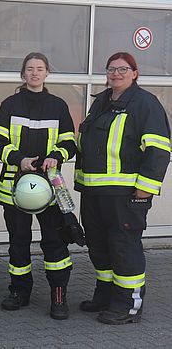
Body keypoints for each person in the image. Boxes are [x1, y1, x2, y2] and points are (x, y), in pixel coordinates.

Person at [75, 52, 170, 325]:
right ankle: (105, 295)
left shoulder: (145, 104)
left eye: (123, 69)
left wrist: (145, 190)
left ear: (134, 73)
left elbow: (158, 149)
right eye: (112, 69)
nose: (116, 73)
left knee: (123, 248)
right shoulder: (101, 102)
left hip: (126, 194)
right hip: (94, 191)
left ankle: (128, 305)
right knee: (99, 246)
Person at [0, 52, 77, 319]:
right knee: (18, 242)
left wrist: (57, 157)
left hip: (50, 189)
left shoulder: (59, 106)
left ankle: (58, 297)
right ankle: (19, 292)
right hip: (14, 187)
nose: (35, 73)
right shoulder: (9, 104)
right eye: (30, 68)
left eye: (39, 68)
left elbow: (70, 144)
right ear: (23, 73)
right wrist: (20, 159)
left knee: (55, 244)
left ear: (47, 73)